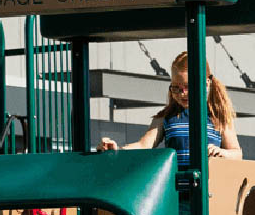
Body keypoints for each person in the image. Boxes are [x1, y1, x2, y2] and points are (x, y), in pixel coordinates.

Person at [98, 51, 242, 164]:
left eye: (187, 87)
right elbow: (144, 145)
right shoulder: (166, 117)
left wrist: (223, 153)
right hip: (175, 194)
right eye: (176, 88)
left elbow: (237, 153)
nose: (182, 94)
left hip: (208, 195)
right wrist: (117, 150)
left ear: (206, 83)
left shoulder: (218, 118)